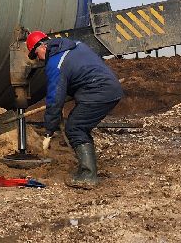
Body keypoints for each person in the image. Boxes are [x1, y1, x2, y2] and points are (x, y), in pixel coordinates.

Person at [27, 30, 124, 189]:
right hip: (110, 87)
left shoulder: (55, 63)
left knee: (75, 127)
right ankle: (87, 170)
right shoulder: (74, 45)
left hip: (99, 91)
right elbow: (82, 71)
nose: (38, 58)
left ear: (43, 47)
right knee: (79, 126)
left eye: (36, 54)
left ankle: (88, 176)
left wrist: (49, 130)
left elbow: (54, 99)